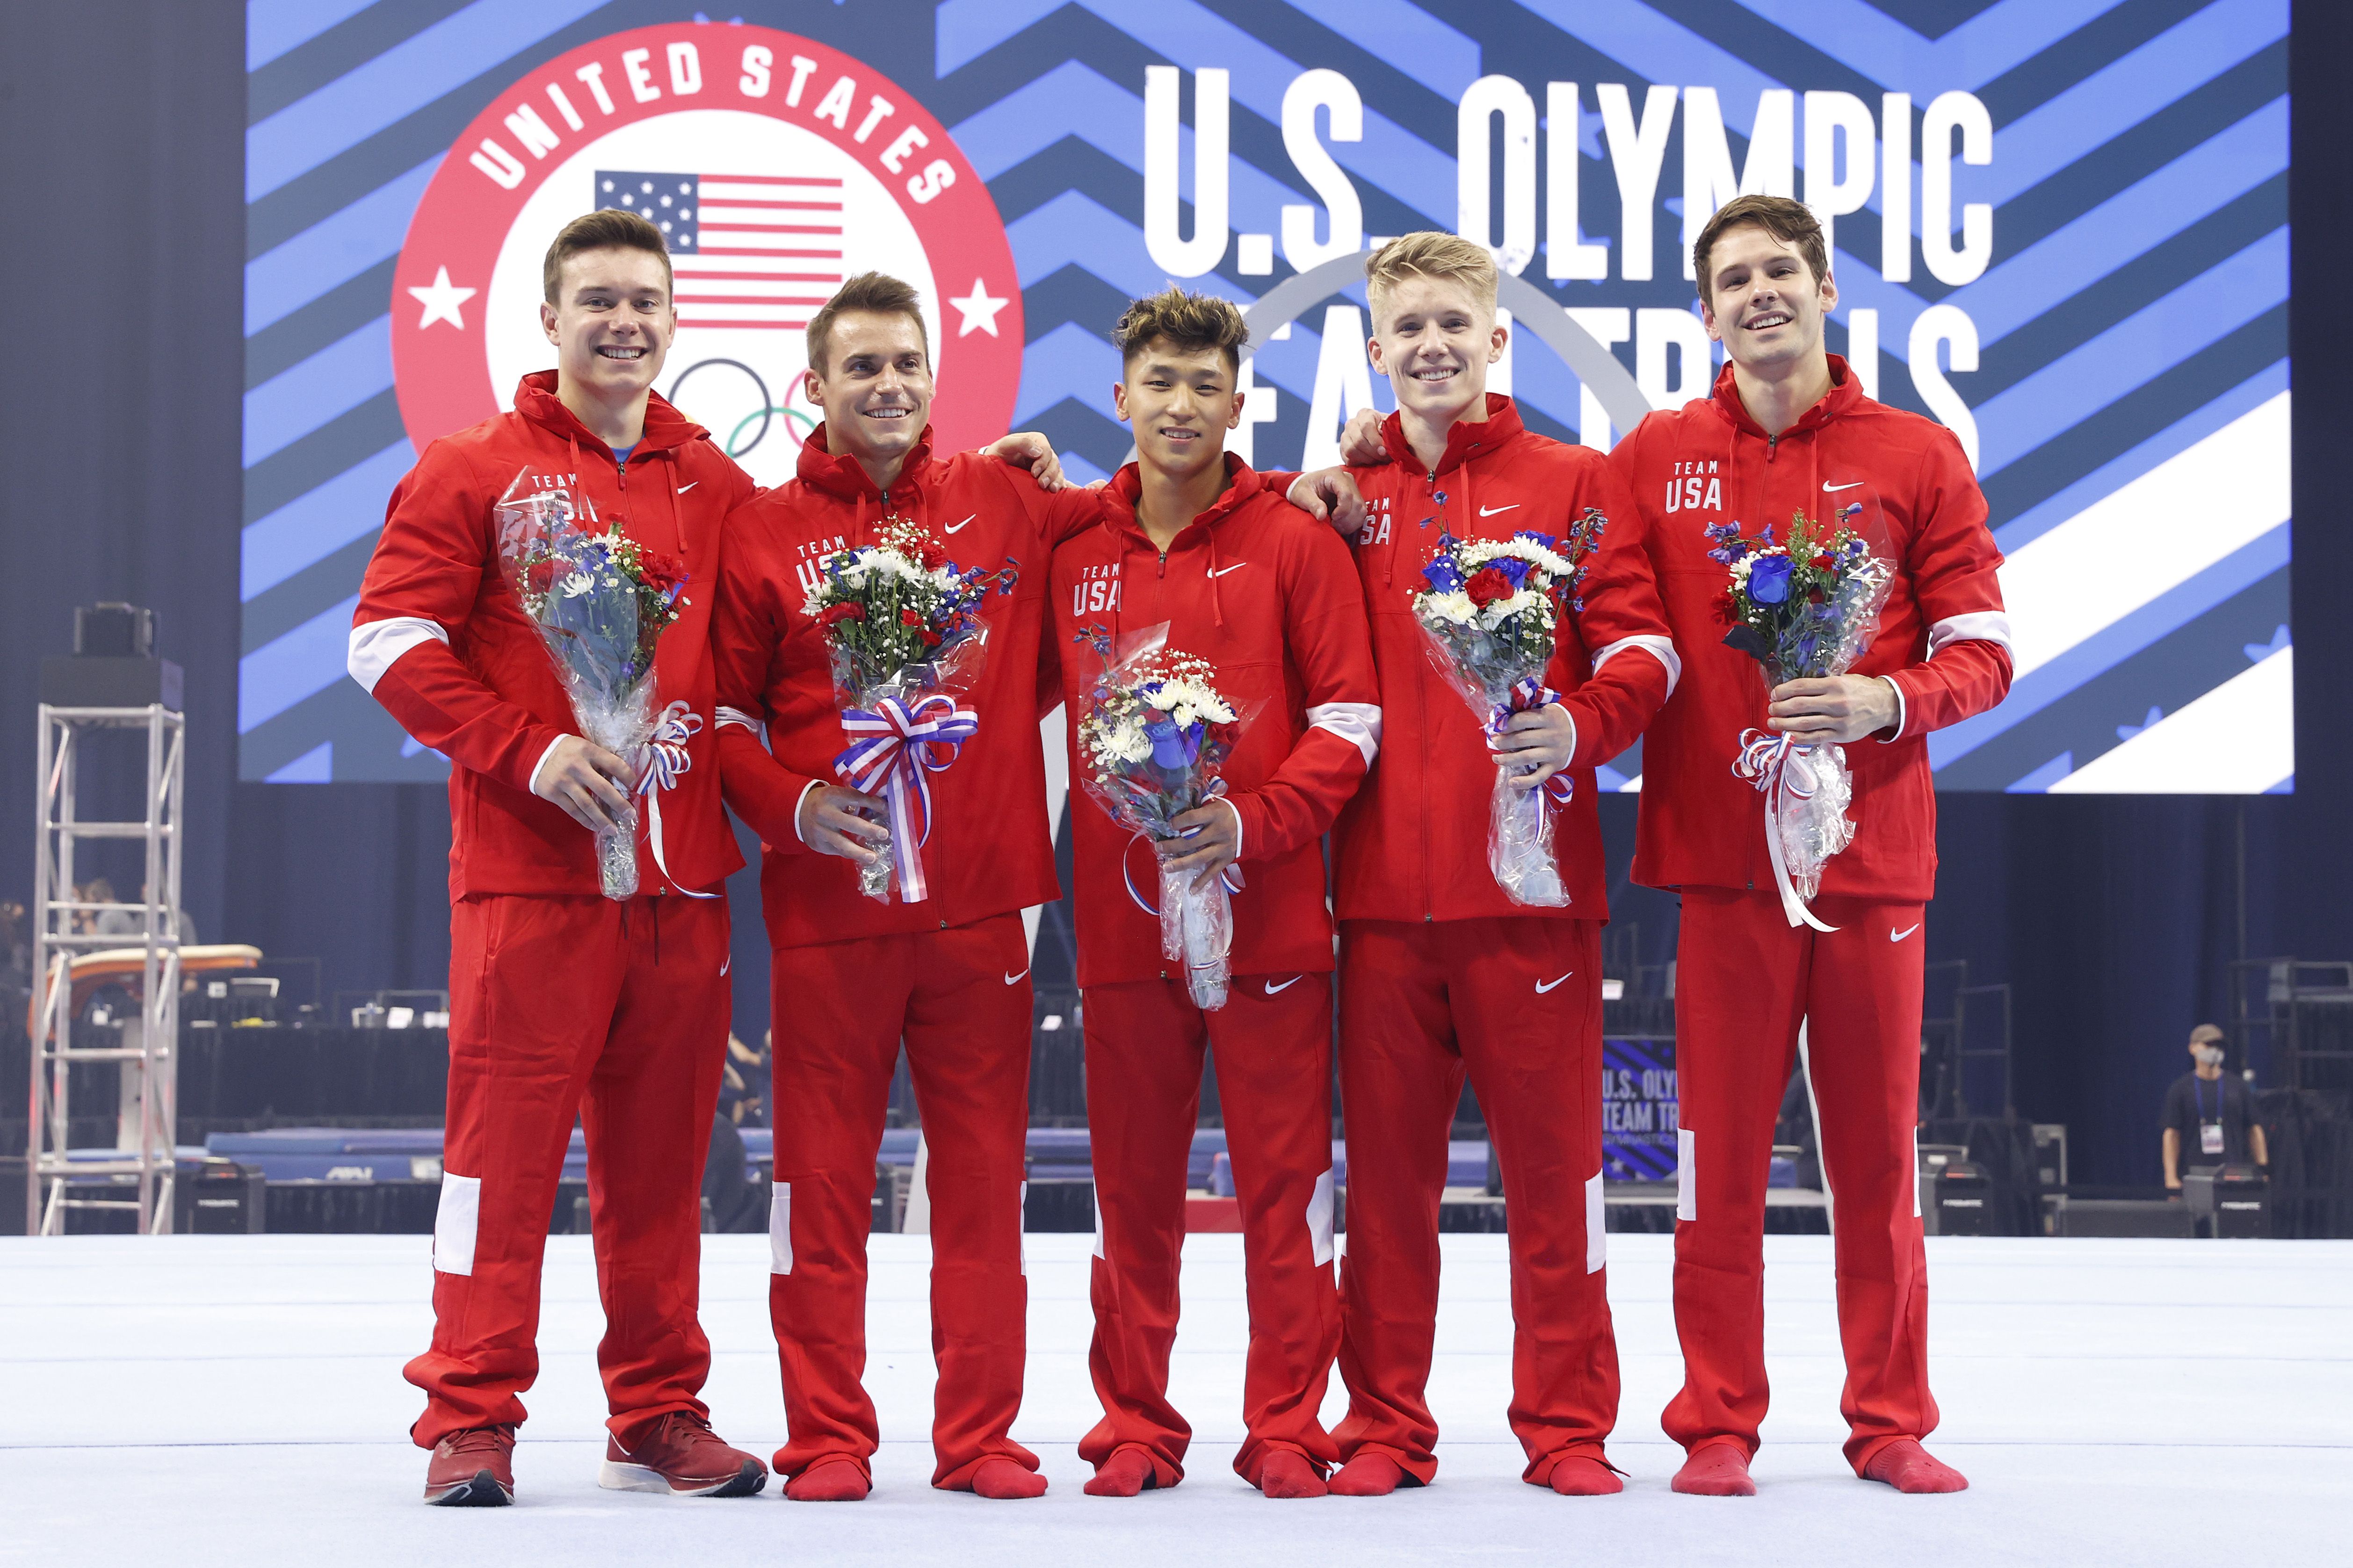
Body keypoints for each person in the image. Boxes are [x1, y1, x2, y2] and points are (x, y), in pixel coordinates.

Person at [349, 209, 767, 1506]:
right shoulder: (470, 466)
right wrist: (528, 751)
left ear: (673, 318)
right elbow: (386, 644)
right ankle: (467, 1418)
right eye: (597, 301)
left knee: (662, 1175)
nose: (623, 322)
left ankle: (658, 1409)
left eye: (645, 300)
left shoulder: (719, 484)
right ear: (548, 319)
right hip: (532, 883)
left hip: (679, 889)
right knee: (499, 1168)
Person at [1602, 193, 2009, 1496]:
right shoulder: (1649, 453)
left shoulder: (1914, 452)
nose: (1758, 293)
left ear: (1825, 289)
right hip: (1717, 865)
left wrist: (1886, 701)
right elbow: (1611, 623)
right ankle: (1713, 1419)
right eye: (1732, 278)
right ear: (1702, 311)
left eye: (1780, 269)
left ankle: (1886, 1418)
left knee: (1873, 1156)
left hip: (1868, 859)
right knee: (1712, 1161)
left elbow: (1982, 647)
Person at [709, 271, 1111, 1503]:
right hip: (829, 910)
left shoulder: (1008, 499)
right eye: (862, 367)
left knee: (984, 1185)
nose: (887, 386)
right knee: (816, 1188)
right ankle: (826, 1434)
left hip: (980, 907)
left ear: (933, 379)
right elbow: (722, 717)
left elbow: (1157, 515)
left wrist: (1318, 481)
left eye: (905, 365)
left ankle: (978, 1435)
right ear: (813, 387)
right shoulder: (761, 529)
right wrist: (793, 805)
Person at [1294, 231, 1678, 1499]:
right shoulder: (1339, 500)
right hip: (1378, 910)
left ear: (1494, 336)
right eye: (1406, 329)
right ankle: (1386, 1428)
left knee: (1554, 1184)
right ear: (1374, 350)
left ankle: (1564, 1428)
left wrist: (1579, 721)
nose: (1431, 346)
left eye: (1452, 323)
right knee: (1387, 1196)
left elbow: (1642, 652)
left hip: (1531, 902)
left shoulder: (1573, 479)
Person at [1048, 288, 1379, 1501]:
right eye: (1158, 383)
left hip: (1274, 920)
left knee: (1283, 1190)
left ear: (1237, 405)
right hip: (1123, 926)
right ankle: (1134, 1421)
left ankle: (1284, 1422)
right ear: (1119, 395)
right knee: (1130, 1191)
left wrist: (1253, 821)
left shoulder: (1296, 542)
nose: (1178, 405)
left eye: (1203, 386)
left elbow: (1347, 721)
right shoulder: (1068, 549)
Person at [2163, 1025, 2268, 1191]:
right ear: (2193, 1048)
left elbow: (2254, 1128)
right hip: (2194, 1173)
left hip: (2233, 1172)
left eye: (2218, 1046)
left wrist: (2262, 1168)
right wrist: (2170, 1176)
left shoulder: (2238, 1087)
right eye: (2208, 1045)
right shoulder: (2181, 1089)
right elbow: (2172, 1134)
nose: (2214, 1051)